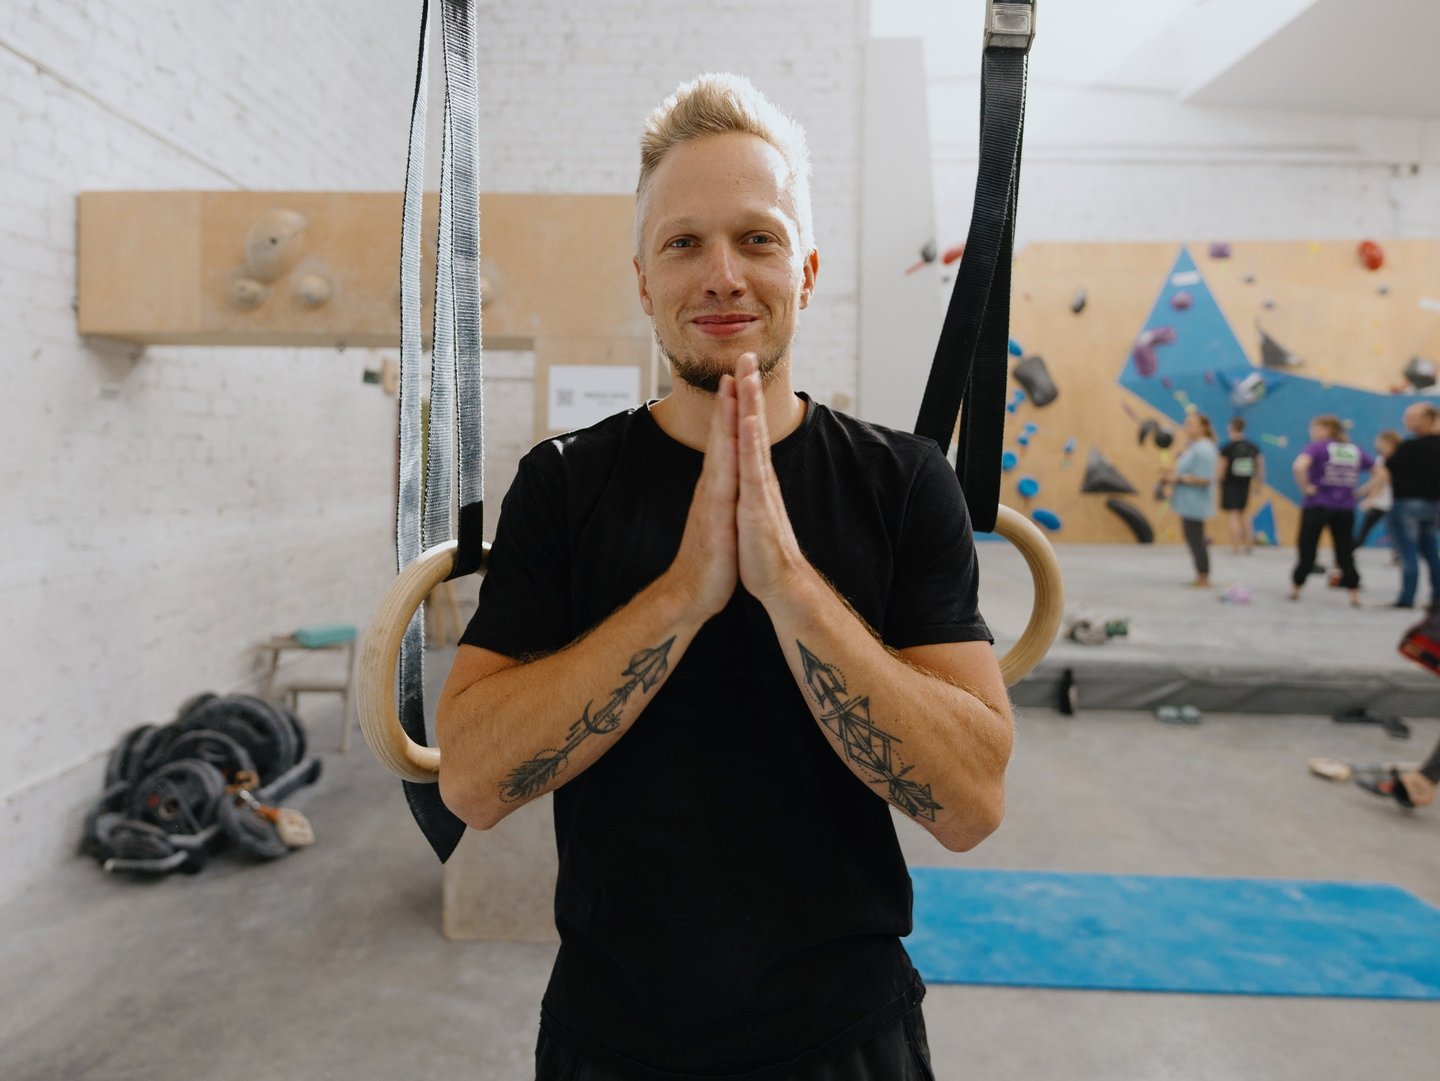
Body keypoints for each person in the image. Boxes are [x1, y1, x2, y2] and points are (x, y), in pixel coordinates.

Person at [435, 74, 1012, 1080]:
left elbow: (968, 804)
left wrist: (789, 585)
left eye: (758, 239)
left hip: (843, 1032)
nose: (722, 276)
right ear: (644, 277)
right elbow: (474, 784)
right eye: (684, 242)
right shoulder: (565, 485)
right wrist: (681, 598)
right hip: (613, 1033)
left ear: (809, 268)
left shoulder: (901, 482)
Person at [1289, 414, 1373, 607]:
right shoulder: (1353, 449)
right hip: (1345, 507)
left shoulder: (1317, 447)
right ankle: (1354, 595)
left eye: (1315, 428)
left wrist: (1306, 487)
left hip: (1317, 505)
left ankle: (1296, 589)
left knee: (1307, 549)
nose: (1312, 432)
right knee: (1344, 552)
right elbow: (1380, 471)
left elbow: (1299, 466)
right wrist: (1365, 491)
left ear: (1327, 429)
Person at [1368, 402, 1440, 609]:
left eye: (1410, 417)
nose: (1405, 421)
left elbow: (1384, 472)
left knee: (1408, 552)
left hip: (1407, 504)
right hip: (1432, 506)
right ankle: (1437, 597)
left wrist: (1372, 495)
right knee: (1430, 552)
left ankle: (1406, 597)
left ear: (1425, 420)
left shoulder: (1407, 447)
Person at [1165, 411, 1219, 587]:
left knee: (1196, 540)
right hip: (1189, 502)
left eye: (1191, 424)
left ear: (1203, 428)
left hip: (1195, 503)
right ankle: (1201, 575)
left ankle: (1203, 576)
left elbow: (1204, 479)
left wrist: (1178, 479)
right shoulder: (1195, 447)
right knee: (1193, 539)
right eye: (1186, 423)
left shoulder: (1204, 449)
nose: (1186, 427)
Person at [1217, 416, 1264, 554]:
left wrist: (1218, 482)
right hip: (1245, 483)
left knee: (1232, 514)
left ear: (1231, 427)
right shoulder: (1253, 447)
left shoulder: (1227, 447)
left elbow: (1222, 467)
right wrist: (1258, 484)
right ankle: (1248, 544)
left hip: (1230, 484)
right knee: (1243, 513)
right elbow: (1260, 467)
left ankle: (1236, 546)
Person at [1352, 430, 1399, 551]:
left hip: (1392, 501)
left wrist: (1370, 498)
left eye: (1380, 441)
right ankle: (1347, 554)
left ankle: (1399, 557)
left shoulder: (1397, 458)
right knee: (1367, 528)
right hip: (1383, 501)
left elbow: (1382, 479)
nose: (1377, 444)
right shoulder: (1380, 460)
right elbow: (1376, 479)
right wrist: (1363, 492)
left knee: (1396, 530)